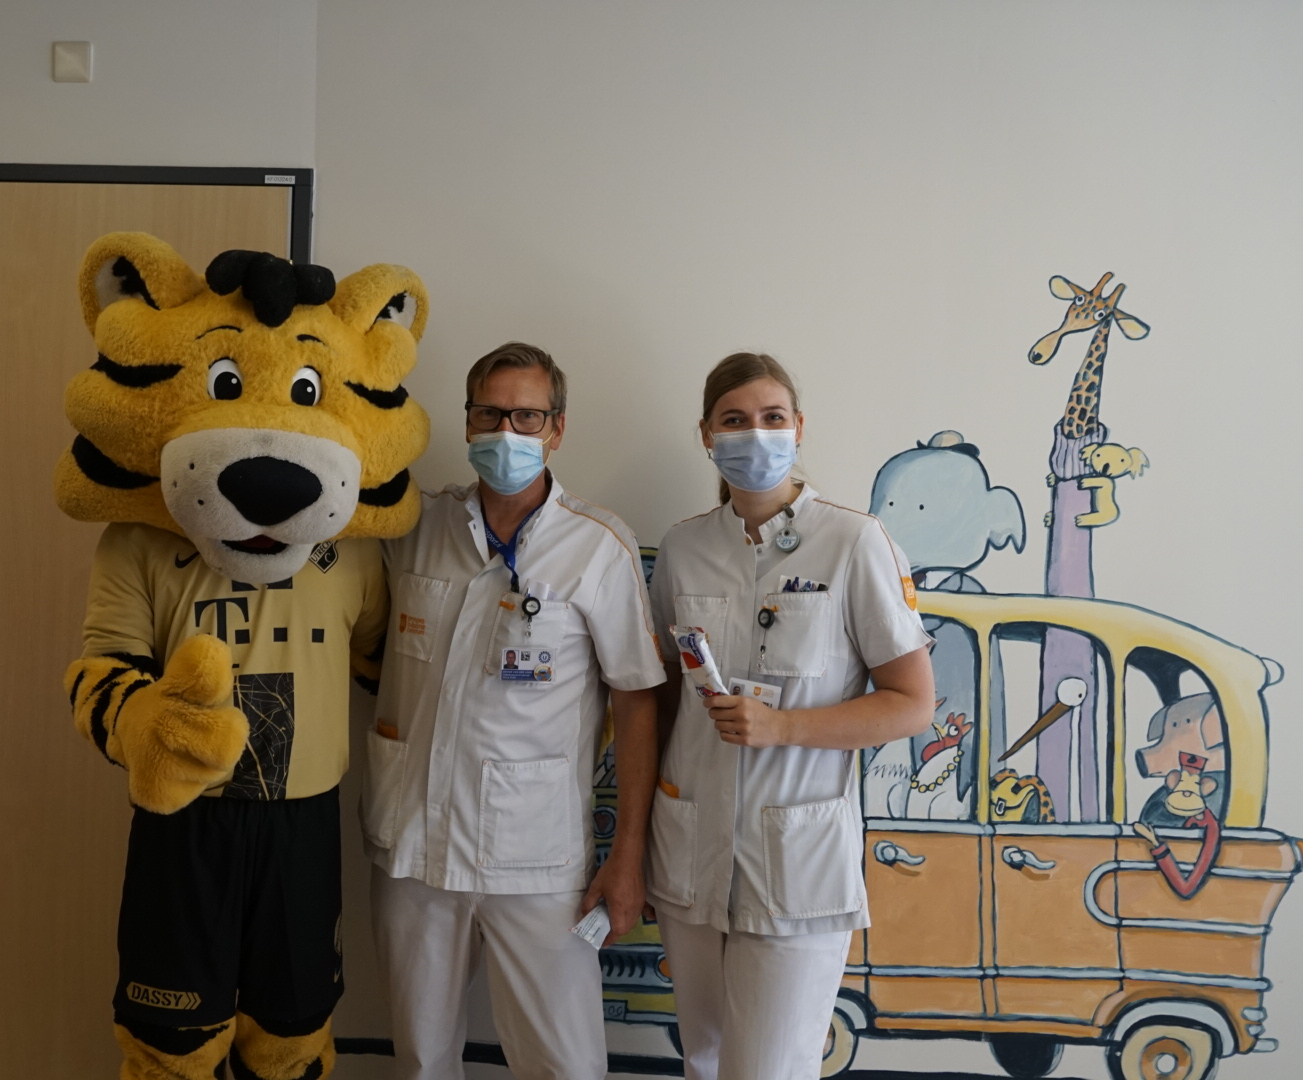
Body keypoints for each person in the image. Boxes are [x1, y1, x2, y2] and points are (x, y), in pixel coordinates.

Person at [362, 342, 666, 1080]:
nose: (507, 431)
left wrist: (627, 856)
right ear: (467, 422)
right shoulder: (415, 526)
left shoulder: (598, 546)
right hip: (414, 849)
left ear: (557, 429)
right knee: (420, 1061)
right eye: (490, 413)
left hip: (536, 860)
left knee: (565, 1066)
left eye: (527, 416)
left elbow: (637, 705)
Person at [647, 352, 935, 1080]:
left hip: (795, 867)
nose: (755, 434)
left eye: (772, 417)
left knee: (770, 1070)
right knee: (703, 1061)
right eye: (734, 420)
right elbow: (662, 697)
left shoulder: (854, 542)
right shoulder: (683, 548)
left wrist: (785, 728)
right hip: (691, 852)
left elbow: (912, 703)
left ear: (799, 427)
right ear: (707, 435)